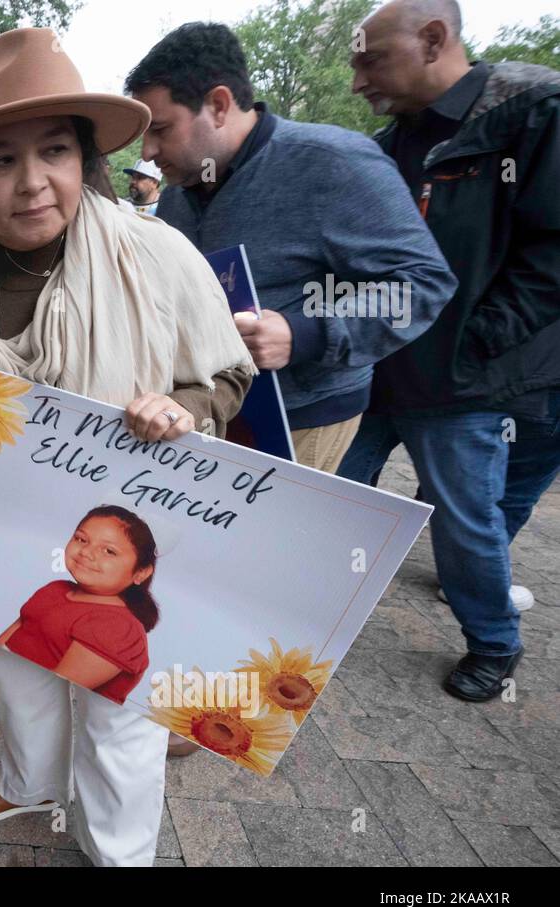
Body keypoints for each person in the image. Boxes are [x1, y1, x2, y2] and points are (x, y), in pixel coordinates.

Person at [0, 28, 255, 866]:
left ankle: (118, 850)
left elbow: (226, 374)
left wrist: (181, 406)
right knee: (19, 666)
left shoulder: (155, 255)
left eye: (55, 151)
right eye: (1, 161)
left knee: (119, 704)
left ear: (85, 160)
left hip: (127, 529)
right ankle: (31, 782)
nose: (33, 182)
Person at [338, 0, 560, 701]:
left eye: (370, 59)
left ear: (434, 39)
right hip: (375, 368)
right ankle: (302, 608)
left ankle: (494, 642)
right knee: (328, 493)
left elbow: (551, 256)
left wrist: (475, 343)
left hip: (465, 381)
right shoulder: (383, 146)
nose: (356, 80)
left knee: (464, 523)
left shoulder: (532, 109)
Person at [126, 22, 456, 474]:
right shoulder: (180, 192)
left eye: (161, 129)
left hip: (303, 416)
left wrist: (304, 333)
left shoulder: (333, 163)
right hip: (205, 408)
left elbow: (422, 286)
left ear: (219, 105)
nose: (149, 150)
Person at [0, 506, 156, 706]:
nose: (87, 552)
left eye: (109, 551)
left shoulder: (118, 627)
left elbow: (53, 694)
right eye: (81, 539)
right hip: (3, 689)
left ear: (141, 572)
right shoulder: (56, 589)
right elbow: (3, 644)